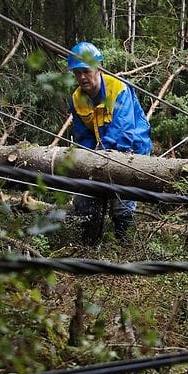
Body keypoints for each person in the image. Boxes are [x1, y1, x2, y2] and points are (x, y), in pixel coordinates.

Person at [66, 41, 153, 245]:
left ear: (98, 68)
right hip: (100, 151)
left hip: (131, 148)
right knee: (85, 198)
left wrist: (101, 155)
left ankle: (125, 246)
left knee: (121, 201)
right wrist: (87, 160)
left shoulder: (117, 89)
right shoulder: (77, 98)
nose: (82, 77)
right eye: (77, 73)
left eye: (86, 71)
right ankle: (89, 245)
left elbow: (123, 133)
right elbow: (83, 135)